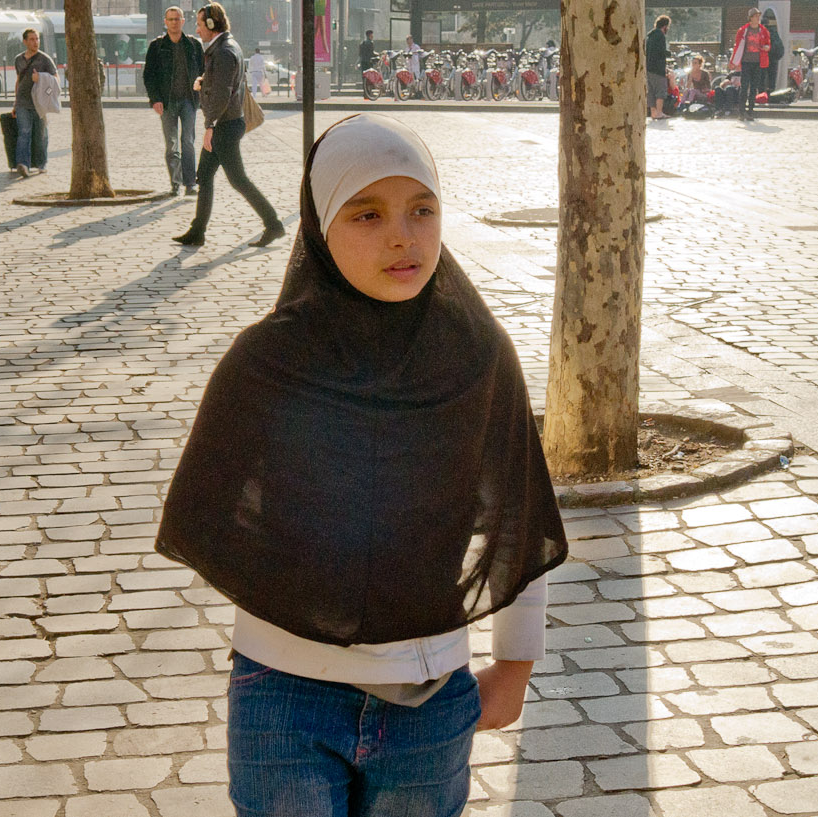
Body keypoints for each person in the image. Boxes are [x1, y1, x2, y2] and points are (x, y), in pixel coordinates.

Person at [156, 112, 565, 817]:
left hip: (431, 698)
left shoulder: (477, 354)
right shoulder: (268, 361)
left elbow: (519, 511)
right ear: (320, 224)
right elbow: (210, 510)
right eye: (367, 213)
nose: (402, 236)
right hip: (285, 693)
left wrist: (516, 664)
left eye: (422, 209)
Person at [172, 3, 282, 248]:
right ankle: (197, 230)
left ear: (212, 25)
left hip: (225, 125)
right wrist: (204, 81)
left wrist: (209, 125)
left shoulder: (223, 52)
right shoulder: (224, 47)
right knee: (206, 175)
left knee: (238, 179)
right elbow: (224, 84)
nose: (197, 30)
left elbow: (223, 93)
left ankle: (273, 224)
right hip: (226, 123)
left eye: (200, 24)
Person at [145, 6, 204, 197]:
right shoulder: (157, 46)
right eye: (170, 19)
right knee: (171, 144)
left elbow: (204, 71)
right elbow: (149, 75)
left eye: (177, 19)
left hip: (188, 100)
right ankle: (175, 183)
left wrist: (201, 95)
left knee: (188, 141)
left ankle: (190, 183)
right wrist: (155, 99)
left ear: (183, 21)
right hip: (167, 102)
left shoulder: (193, 45)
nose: (174, 22)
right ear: (165, 22)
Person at [13, 29, 57, 177]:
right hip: (22, 103)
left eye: (37, 39)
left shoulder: (45, 59)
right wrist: (15, 103)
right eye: (31, 39)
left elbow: (56, 81)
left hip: (40, 104)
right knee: (24, 133)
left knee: (41, 135)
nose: (35, 42)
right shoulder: (18, 59)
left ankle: (41, 163)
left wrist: (43, 83)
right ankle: (23, 164)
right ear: (25, 42)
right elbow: (18, 80)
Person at [730, 7, 770, 120]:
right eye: (756, 16)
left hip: (758, 62)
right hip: (746, 62)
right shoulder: (743, 30)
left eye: (759, 16)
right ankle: (741, 112)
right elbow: (737, 46)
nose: (758, 18)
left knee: (754, 88)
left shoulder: (763, 30)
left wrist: (767, 47)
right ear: (751, 18)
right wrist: (734, 61)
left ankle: (750, 112)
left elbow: (768, 43)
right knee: (744, 87)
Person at [646, 15, 671, 119]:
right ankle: (660, 112)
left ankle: (653, 113)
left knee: (651, 91)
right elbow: (660, 52)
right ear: (665, 26)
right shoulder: (660, 36)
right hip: (657, 69)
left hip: (649, 68)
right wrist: (668, 53)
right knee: (660, 90)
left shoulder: (650, 36)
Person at [762, 8, 782, 96]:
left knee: (762, 78)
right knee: (771, 78)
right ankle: (771, 93)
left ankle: (763, 94)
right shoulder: (774, 32)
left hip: (765, 59)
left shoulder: (761, 33)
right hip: (773, 58)